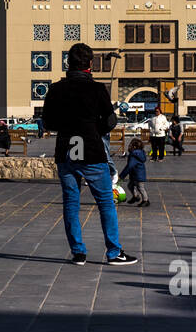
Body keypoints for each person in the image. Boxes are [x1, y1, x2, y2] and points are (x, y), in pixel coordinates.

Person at [43, 42, 137, 265]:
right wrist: (95, 132)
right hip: (92, 151)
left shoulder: (56, 89)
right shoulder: (97, 89)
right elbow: (111, 120)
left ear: (69, 63)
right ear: (91, 64)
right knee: (105, 202)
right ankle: (114, 252)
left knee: (71, 203)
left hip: (66, 150)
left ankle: (78, 252)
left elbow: (47, 122)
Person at [121, 137, 150, 206]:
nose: (129, 146)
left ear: (134, 146)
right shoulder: (138, 153)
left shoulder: (134, 155)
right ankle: (136, 196)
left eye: (130, 145)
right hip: (135, 175)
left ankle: (145, 200)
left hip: (138, 175)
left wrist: (122, 176)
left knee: (140, 188)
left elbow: (129, 166)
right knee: (130, 185)